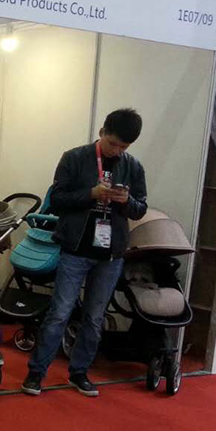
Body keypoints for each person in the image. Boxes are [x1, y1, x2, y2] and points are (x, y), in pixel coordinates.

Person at [22, 108, 147, 398]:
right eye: (113, 144)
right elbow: (57, 200)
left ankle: (80, 372)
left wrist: (126, 200)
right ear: (102, 132)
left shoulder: (133, 166)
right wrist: (91, 194)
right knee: (60, 312)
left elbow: (140, 208)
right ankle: (36, 372)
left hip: (111, 253)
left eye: (124, 147)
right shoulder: (74, 157)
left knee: (94, 316)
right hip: (75, 248)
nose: (117, 151)